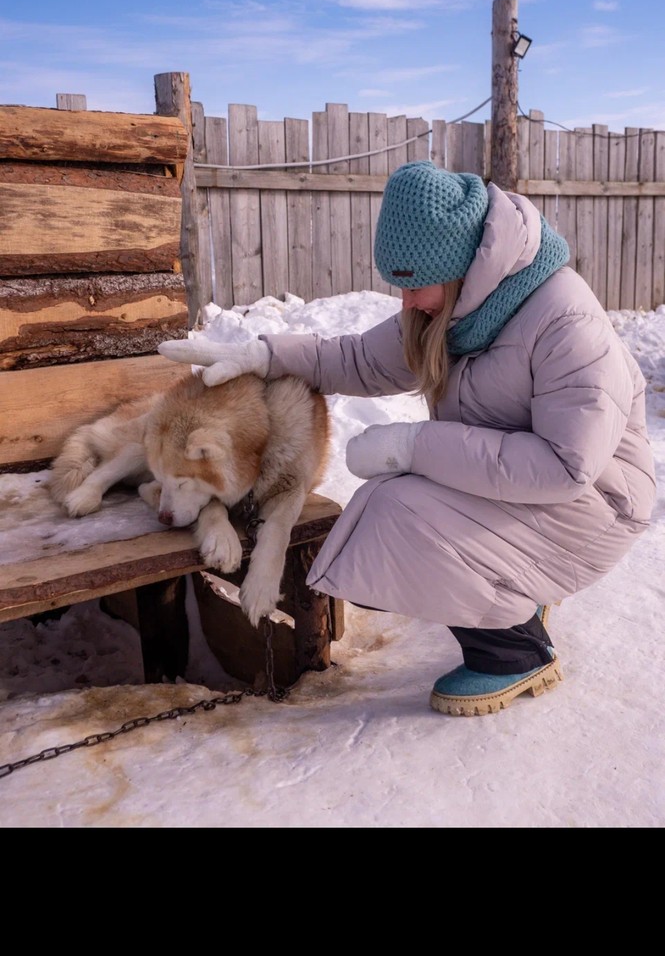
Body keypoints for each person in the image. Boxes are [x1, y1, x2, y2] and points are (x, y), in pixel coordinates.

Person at [159, 162, 657, 717]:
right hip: (531, 492)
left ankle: (515, 653)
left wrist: (415, 445)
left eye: (416, 286)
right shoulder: (456, 310)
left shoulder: (566, 322)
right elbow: (354, 359)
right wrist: (265, 354)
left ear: (463, 264)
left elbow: (565, 467)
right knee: (401, 499)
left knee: (400, 508)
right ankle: (519, 592)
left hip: (596, 507)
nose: (407, 303)